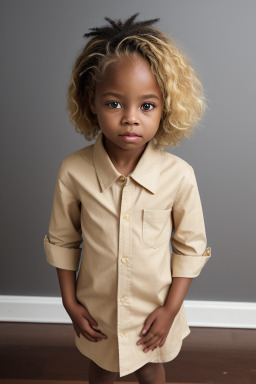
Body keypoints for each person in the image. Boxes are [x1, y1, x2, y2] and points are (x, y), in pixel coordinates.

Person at [43, 13, 211, 384]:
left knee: (151, 371)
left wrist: (170, 310)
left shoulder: (179, 176)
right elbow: (63, 241)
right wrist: (70, 303)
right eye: (114, 104)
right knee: (102, 369)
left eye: (146, 105)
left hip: (154, 312)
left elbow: (190, 248)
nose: (130, 119)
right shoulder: (73, 171)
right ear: (92, 101)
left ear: (166, 105)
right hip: (98, 310)